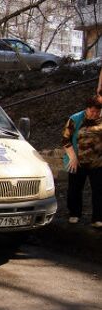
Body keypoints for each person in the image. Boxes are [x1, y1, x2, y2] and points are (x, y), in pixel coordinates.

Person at [62, 95, 102, 227]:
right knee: (74, 188)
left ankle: (97, 218)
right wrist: (72, 157)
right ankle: (74, 213)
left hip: (97, 162)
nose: (94, 114)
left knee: (99, 190)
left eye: (97, 112)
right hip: (77, 160)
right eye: (92, 111)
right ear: (87, 109)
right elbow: (65, 140)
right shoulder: (75, 119)